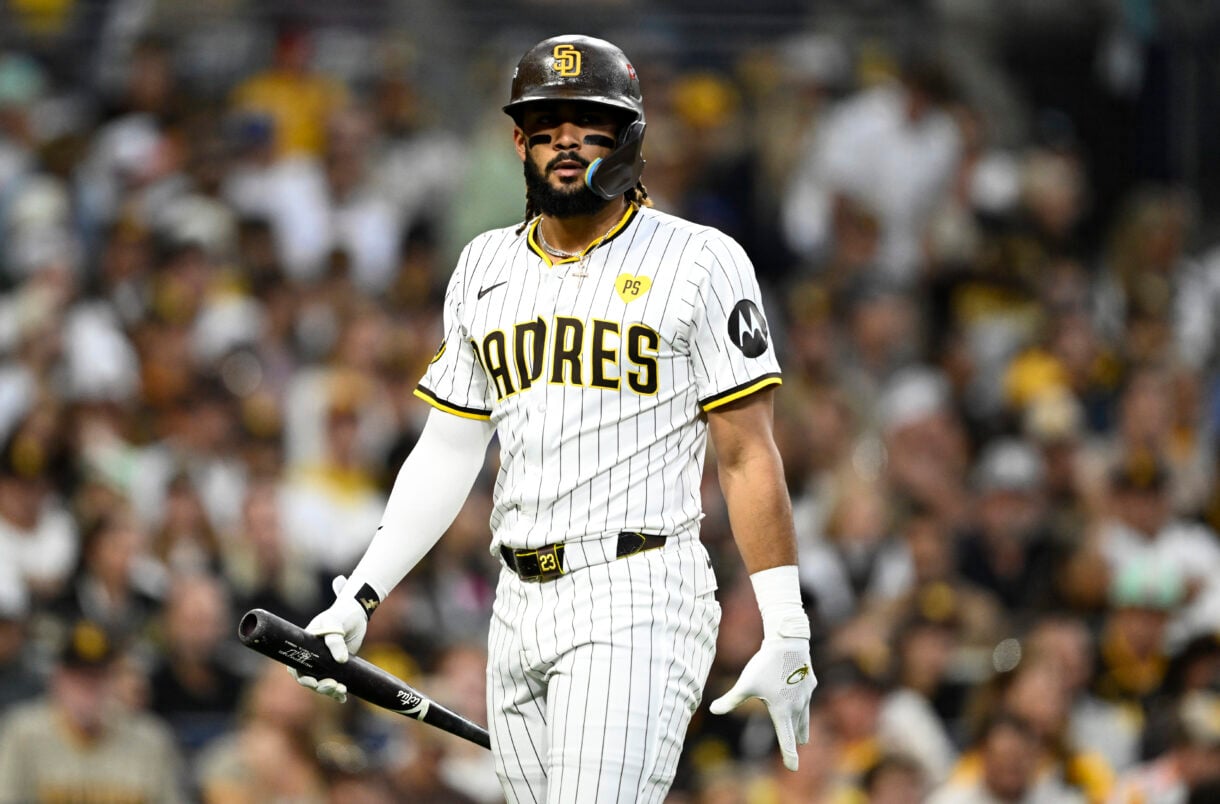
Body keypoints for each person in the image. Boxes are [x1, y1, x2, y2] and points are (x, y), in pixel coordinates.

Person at [290, 34, 816, 802]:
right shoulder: (483, 266)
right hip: (517, 600)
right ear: (518, 141)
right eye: (545, 122)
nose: (566, 139)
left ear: (631, 134)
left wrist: (785, 622)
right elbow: (448, 450)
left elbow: (746, 453)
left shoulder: (701, 260)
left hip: (638, 587)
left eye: (589, 120)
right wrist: (361, 593)